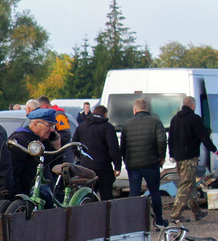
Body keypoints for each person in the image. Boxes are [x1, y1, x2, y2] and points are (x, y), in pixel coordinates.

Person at [168, 96, 216, 222]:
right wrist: (215, 150)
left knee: (191, 185)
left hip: (179, 158)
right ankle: (175, 214)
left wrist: (172, 154)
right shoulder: (195, 119)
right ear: (193, 106)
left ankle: (197, 211)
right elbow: (204, 137)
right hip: (189, 158)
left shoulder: (175, 119)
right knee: (186, 185)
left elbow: (170, 139)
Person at [120, 98, 168, 226]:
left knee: (134, 193)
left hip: (133, 165)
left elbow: (123, 146)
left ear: (134, 110)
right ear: (146, 109)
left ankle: (132, 222)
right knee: (155, 192)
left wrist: (126, 160)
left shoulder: (127, 125)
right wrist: (161, 157)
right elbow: (162, 141)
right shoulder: (156, 122)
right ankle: (159, 220)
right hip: (151, 163)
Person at [9, 107, 61, 198]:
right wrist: (19, 198)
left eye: (53, 126)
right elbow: (13, 172)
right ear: (35, 123)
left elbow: (54, 167)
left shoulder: (45, 141)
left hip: (43, 196)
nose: (52, 130)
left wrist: (56, 149)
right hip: (27, 197)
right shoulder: (20, 140)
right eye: (49, 125)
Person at [73, 105, 121, 200]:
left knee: (87, 194)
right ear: (105, 114)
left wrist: (82, 157)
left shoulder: (82, 126)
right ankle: (105, 214)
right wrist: (117, 166)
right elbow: (113, 148)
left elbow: (74, 145)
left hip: (86, 167)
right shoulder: (108, 127)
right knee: (106, 196)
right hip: (103, 167)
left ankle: (89, 213)